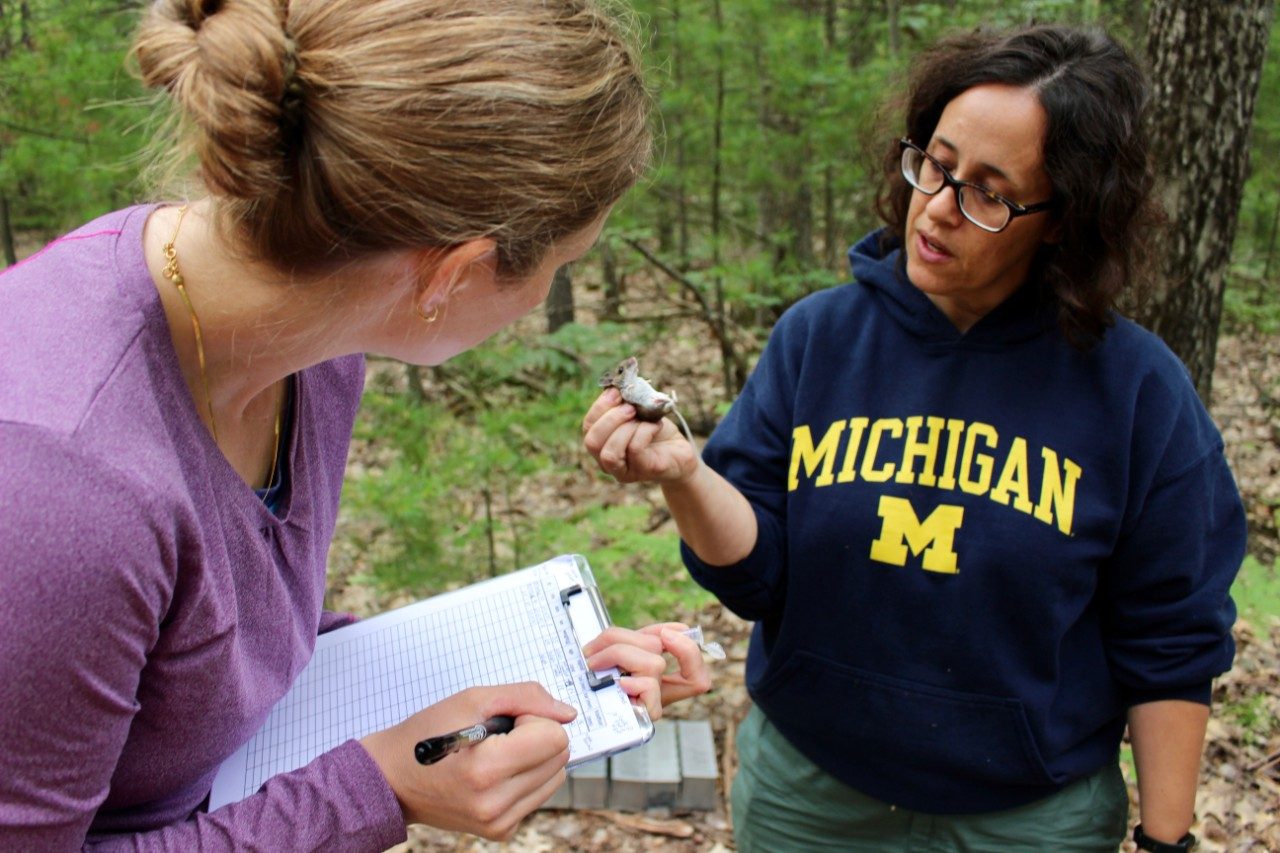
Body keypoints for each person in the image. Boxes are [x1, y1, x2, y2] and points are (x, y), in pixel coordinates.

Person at [0, 0, 711, 848]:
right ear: (456, 271)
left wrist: (523, 670)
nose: (537, 302)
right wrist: (374, 790)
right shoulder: (62, 485)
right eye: (561, 266)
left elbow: (218, 659)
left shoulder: (314, 352)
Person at [584, 23, 1244, 852]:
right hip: (811, 798)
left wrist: (1166, 839)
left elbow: (1172, 636)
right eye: (937, 164)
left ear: (1064, 218)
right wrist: (685, 475)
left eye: (990, 192)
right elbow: (758, 571)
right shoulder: (820, 339)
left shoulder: (1136, 391)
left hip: (1031, 821)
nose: (939, 207)